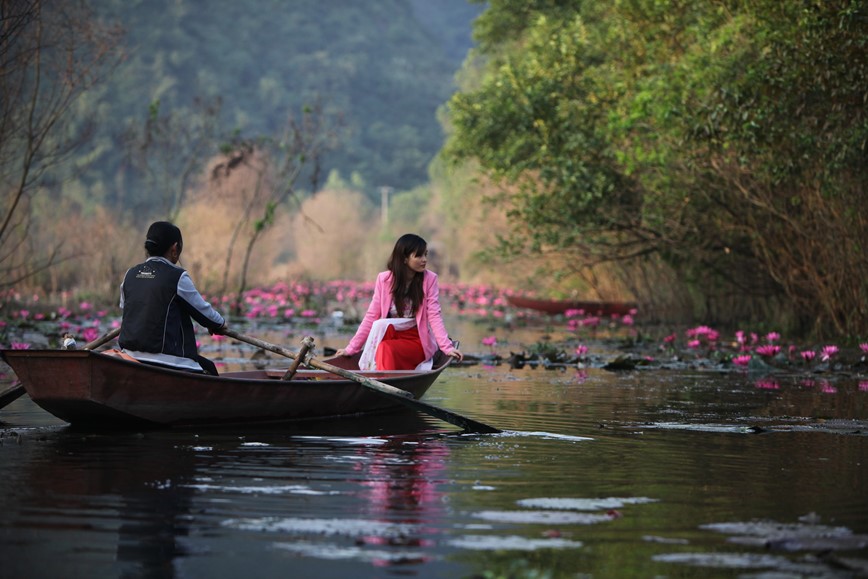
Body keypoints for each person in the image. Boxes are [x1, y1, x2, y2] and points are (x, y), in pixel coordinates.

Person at [335, 233, 463, 370]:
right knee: (383, 340)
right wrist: (351, 349)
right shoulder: (384, 280)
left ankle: (383, 382)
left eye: (425, 254)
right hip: (390, 335)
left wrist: (446, 347)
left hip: (417, 339)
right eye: (419, 255)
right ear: (404, 258)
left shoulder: (429, 280)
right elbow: (371, 316)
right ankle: (384, 381)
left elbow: (434, 315)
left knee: (386, 348)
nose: (424, 259)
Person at [119, 221, 227, 375]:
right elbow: (204, 313)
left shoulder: (129, 274)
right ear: (175, 248)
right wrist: (219, 323)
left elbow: (128, 308)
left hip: (129, 358)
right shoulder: (177, 277)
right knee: (209, 369)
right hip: (167, 360)